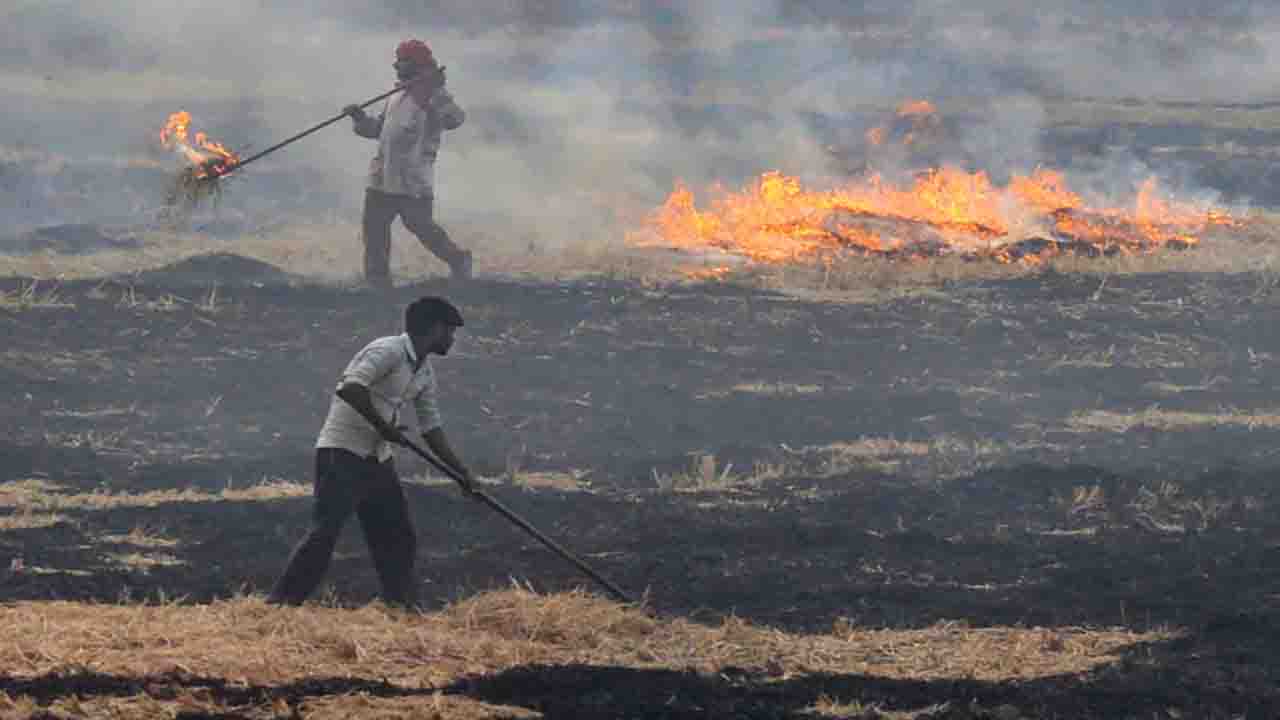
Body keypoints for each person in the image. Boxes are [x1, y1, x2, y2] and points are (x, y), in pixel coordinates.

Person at [268, 296, 477, 608]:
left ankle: (402, 608)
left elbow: (431, 428)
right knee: (325, 533)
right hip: (342, 452)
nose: (452, 339)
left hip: (377, 460)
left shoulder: (425, 373)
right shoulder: (388, 350)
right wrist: (384, 427)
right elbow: (350, 388)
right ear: (434, 329)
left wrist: (462, 474)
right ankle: (280, 605)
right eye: (449, 331)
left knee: (397, 536)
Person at [345, 39, 471, 287]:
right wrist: (359, 118)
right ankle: (378, 282)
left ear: (415, 64)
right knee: (374, 230)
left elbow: (455, 119)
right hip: (382, 176)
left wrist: (432, 97)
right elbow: (378, 130)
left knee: (421, 227)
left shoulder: (434, 94)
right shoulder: (396, 94)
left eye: (401, 60)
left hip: (412, 179)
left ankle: (458, 260)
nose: (395, 65)